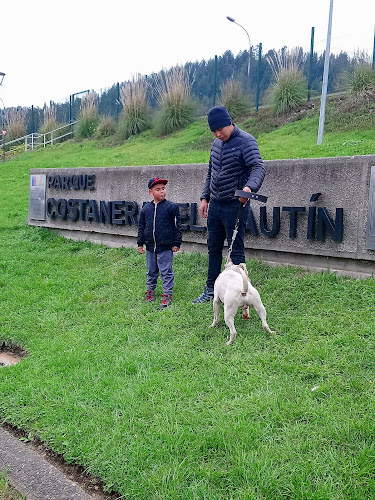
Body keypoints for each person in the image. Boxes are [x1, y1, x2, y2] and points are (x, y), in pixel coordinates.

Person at [192, 105, 266, 304]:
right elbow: (210, 172)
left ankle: (242, 292)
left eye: (220, 130)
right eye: (213, 131)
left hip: (235, 205)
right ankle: (211, 289)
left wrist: (249, 188)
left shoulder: (246, 141)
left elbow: (258, 167)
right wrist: (204, 197)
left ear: (229, 123)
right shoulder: (216, 144)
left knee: (236, 250)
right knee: (213, 248)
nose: (217, 134)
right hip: (215, 204)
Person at [137, 177, 182, 309]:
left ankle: (167, 294)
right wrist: (140, 243)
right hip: (150, 247)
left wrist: (176, 243)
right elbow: (141, 227)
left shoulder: (171, 207)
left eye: (163, 189)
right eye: (158, 189)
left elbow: (177, 226)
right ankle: (150, 290)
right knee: (151, 270)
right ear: (151, 192)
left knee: (166, 271)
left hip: (165, 246)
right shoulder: (146, 209)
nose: (162, 192)